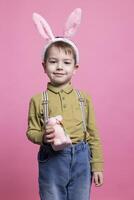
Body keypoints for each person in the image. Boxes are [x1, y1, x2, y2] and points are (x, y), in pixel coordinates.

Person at [26, 9, 104, 200]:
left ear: (75, 68)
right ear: (44, 66)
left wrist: (98, 165)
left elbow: (93, 133)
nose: (60, 67)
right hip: (52, 160)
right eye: (53, 62)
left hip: (81, 158)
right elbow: (31, 131)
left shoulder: (83, 98)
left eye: (66, 62)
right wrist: (44, 136)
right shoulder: (38, 100)